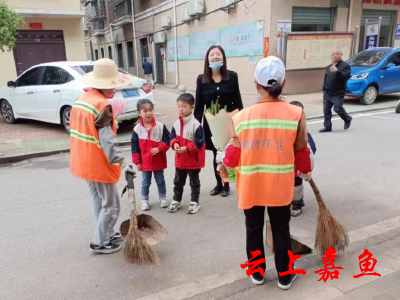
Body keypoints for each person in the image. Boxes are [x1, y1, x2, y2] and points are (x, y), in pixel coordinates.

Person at [218, 56, 313, 288]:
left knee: (253, 228)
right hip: (280, 186)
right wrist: (306, 172)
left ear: (256, 84)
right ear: (283, 82)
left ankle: (257, 273)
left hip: (251, 186)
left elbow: (232, 157)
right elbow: (302, 153)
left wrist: (223, 159)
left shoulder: (239, 118)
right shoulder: (296, 114)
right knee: (281, 228)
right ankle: (284, 275)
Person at [70, 58, 135, 254]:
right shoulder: (102, 105)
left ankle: (107, 232)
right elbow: (107, 140)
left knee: (98, 200)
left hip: (83, 161)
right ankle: (100, 242)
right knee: (111, 204)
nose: (115, 88)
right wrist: (123, 163)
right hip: (98, 163)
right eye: (113, 84)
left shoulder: (82, 100)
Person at [194, 45, 243, 198]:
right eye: (212, 55)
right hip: (211, 125)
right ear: (207, 59)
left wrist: (240, 122)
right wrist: (195, 126)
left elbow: (238, 102)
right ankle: (218, 183)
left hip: (229, 124)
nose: (215, 57)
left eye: (218, 54)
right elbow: (199, 105)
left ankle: (227, 184)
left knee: (227, 153)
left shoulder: (232, 77)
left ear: (223, 58)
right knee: (216, 155)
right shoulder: (201, 80)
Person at [168, 93, 206, 214]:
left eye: (184, 106)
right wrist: (174, 143)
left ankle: (195, 202)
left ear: (192, 107)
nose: (181, 109)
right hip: (180, 160)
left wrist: (187, 148)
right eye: (179, 106)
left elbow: (199, 143)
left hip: (193, 161)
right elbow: (171, 136)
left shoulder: (196, 125)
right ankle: (176, 200)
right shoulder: (176, 123)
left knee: (194, 182)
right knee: (178, 181)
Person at [131, 99, 170, 211]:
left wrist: (159, 148)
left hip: (158, 161)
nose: (148, 113)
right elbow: (134, 148)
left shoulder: (160, 127)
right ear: (139, 113)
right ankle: (144, 200)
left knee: (160, 180)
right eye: (145, 111)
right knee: (145, 182)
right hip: (145, 162)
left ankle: (163, 197)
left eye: (150, 110)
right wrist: (137, 162)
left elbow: (167, 140)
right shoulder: (137, 130)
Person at [289, 101, 317, 217]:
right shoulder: (285, 128)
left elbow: (311, 150)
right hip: (285, 164)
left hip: (297, 166)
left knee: (296, 186)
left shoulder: (304, 133)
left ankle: (297, 204)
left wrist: (305, 170)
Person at [320, 49, 352, 133]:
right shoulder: (328, 67)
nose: (334, 56)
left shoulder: (346, 66)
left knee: (337, 108)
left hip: (338, 92)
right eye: (333, 55)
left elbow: (346, 76)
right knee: (326, 110)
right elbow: (326, 78)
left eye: (337, 54)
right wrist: (324, 87)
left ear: (341, 55)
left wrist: (337, 71)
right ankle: (327, 126)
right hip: (328, 91)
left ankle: (347, 118)